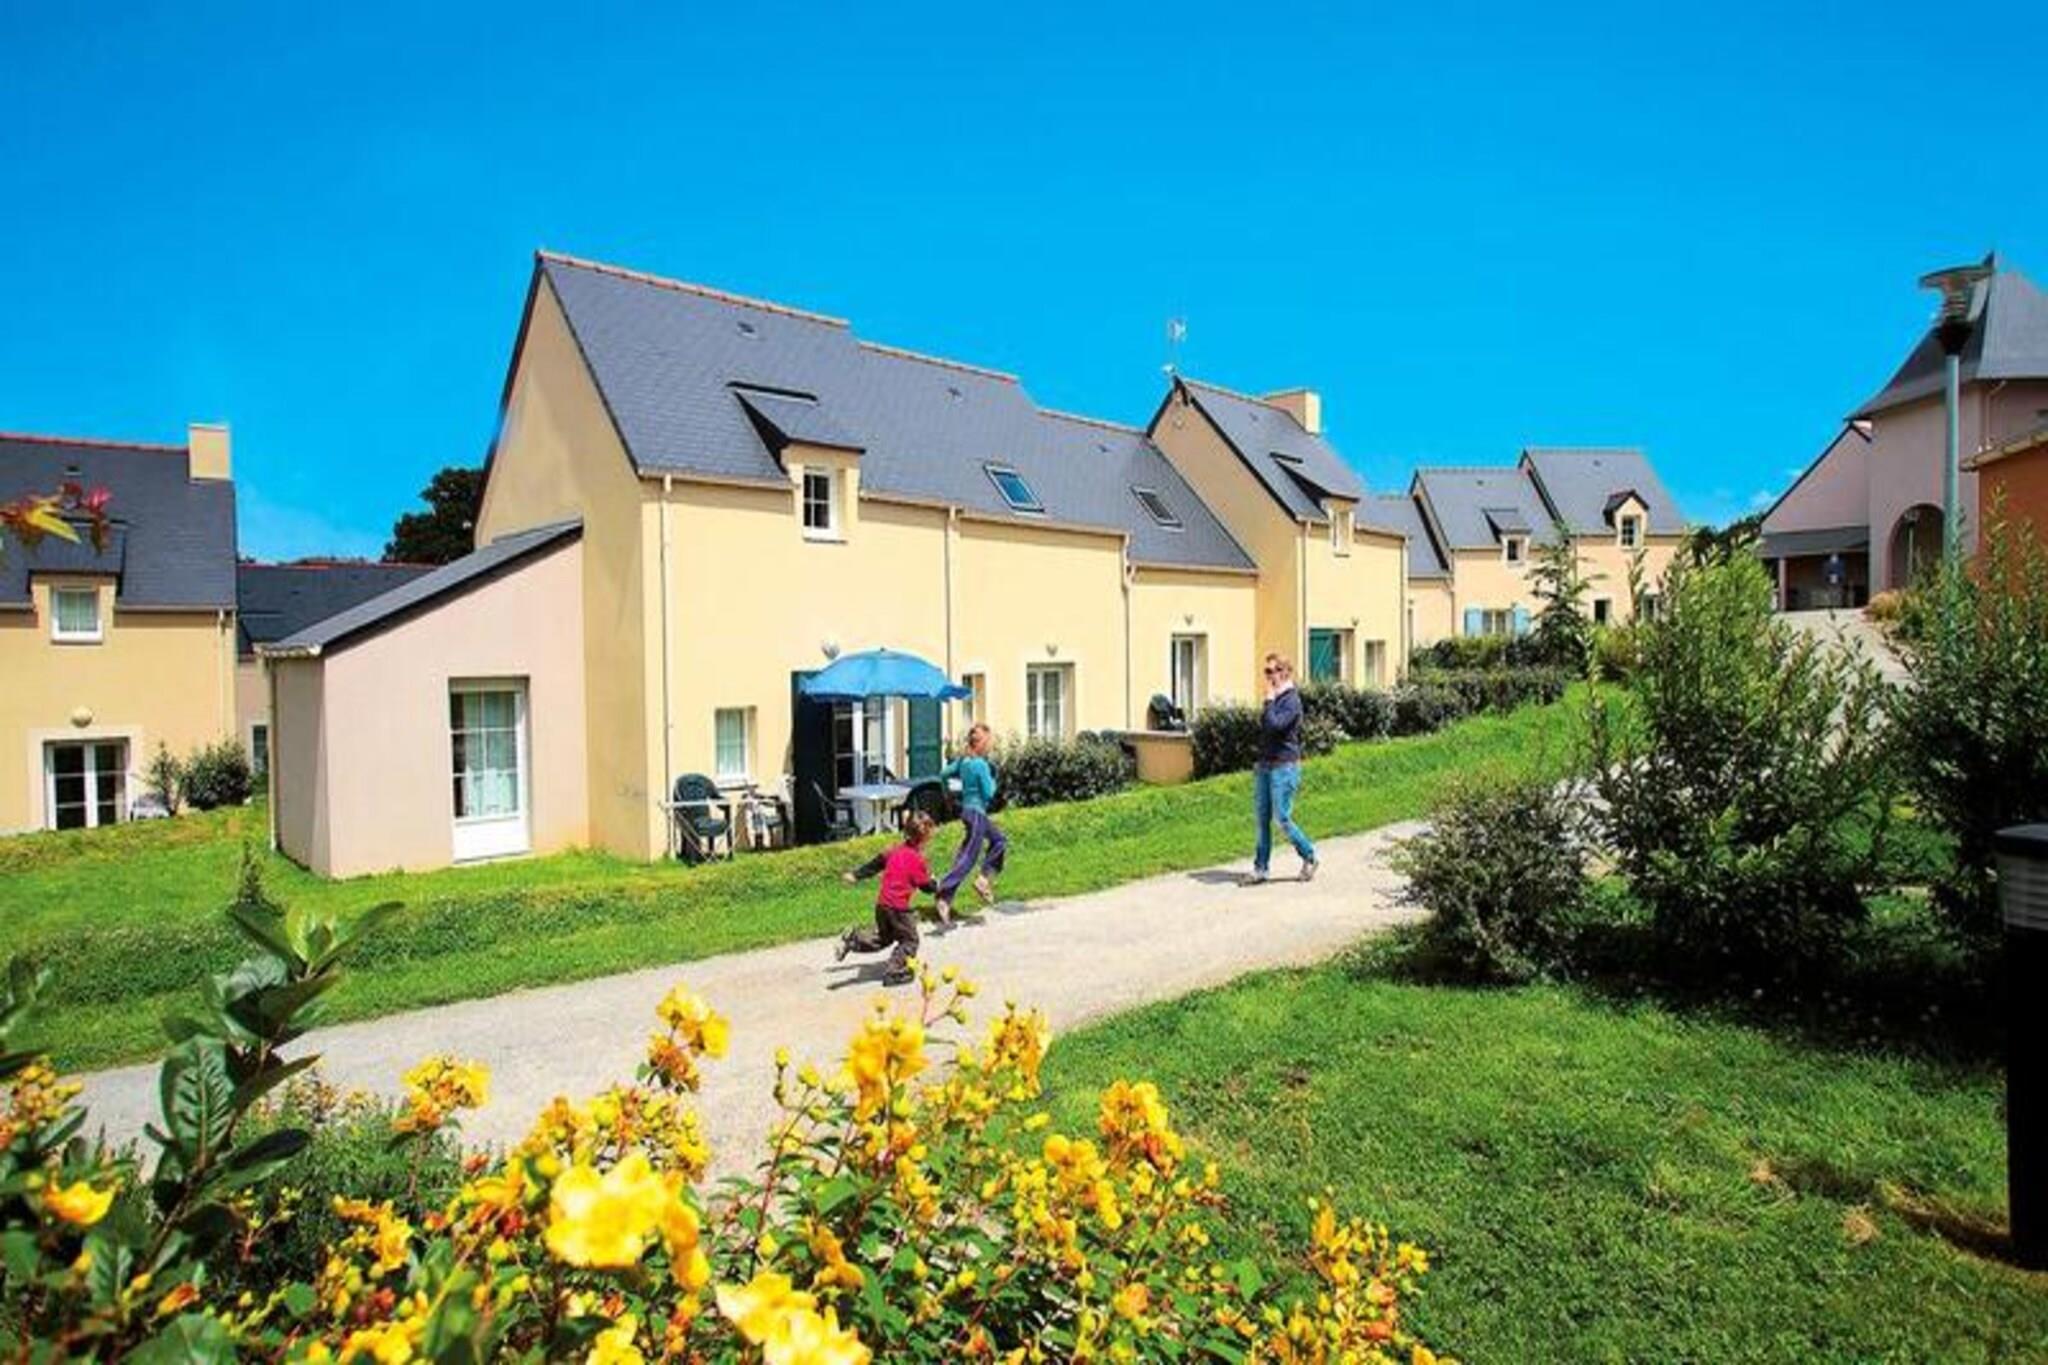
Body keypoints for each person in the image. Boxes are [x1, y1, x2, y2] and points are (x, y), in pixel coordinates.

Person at [837, 810, 939, 986]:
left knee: (885, 938)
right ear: (925, 837)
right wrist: (935, 884)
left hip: (882, 905)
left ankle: (853, 940)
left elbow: (875, 864)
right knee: (909, 940)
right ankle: (894, 970)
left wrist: (856, 875)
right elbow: (925, 886)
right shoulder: (916, 860)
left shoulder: (893, 851)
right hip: (898, 909)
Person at [1247, 652, 1318, 885]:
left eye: (1272, 671)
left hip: (1284, 767)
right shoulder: (1276, 699)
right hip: (1265, 766)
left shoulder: (1291, 701)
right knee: (1262, 819)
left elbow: (1276, 726)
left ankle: (1309, 856)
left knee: (1281, 818)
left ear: (1285, 672)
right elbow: (1266, 729)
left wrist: (1268, 702)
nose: (1269, 676)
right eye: (1266, 671)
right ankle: (1261, 868)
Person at [933, 722, 1006, 922]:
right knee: (967, 859)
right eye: (989, 742)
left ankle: (982, 880)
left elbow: (943, 774)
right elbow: (989, 793)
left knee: (999, 840)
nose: (990, 746)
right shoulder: (981, 765)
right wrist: (993, 778)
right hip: (976, 814)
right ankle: (941, 889)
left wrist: (948, 794)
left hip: (969, 812)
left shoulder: (963, 761)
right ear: (981, 744)